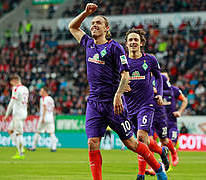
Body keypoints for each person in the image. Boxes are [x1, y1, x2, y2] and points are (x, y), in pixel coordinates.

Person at [68, 3, 167, 180]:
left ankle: (158, 168)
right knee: (92, 143)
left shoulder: (115, 48)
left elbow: (125, 74)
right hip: (94, 103)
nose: (94, 25)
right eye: (92, 23)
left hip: (113, 105)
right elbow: (72, 27)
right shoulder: (88, 43)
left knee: (131, 143)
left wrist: (118, 95)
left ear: (107, 29)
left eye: (98, 23)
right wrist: (86, 13)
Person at [123, 28, 169, 180]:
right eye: (130, 40)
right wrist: (121, 86)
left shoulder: (150, 60)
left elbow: (159, 77)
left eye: (136, 40)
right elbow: (114, 79)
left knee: (141, 136)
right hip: (129, 107)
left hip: (146, 104)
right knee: (141, 142)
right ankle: (161, 151)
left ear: (141, 43)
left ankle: (141, 174)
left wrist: (160, 94)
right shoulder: (122, 61)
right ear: (126, 43)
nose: (133, 42)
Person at [145, 74, 179, 176]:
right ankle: (152, 166)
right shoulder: (143, 76)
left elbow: (170, 92)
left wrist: (158, 92)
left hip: (160, 114)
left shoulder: (161, 78)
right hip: (147, 111)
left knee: (164, 140)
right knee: (149, 141)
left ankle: (173, 152)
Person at [3, 74, 29, 159]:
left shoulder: (16, 88)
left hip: (18, 114)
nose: (12, 85)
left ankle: (20, 153)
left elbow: (11, 103)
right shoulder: (25, 88)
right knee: (10, 130)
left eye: (12, 83)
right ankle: (21, 147)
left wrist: (6, 114)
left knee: (18, 134)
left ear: (15, 81)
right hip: (24, 112)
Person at [161, 72, 188, 147]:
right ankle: (165, 158)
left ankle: (173, 155)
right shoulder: (156, 90)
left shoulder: (174, 90)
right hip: (161, 121)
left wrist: (179, 111)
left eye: (165, 78)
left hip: (172, 121)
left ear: (168, 79)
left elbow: (185, 100)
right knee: (164, 143)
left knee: (172, 143)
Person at [28, 87, 58, 152]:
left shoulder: (43, 99)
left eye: (41, 91)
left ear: (45, 91)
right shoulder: (51, 99)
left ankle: (33, 147)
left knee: (37, 132)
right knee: (52, 133)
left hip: (44, 117)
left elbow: (44, 107)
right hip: (51, 117)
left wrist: (43, 117)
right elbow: (53, 109)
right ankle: (54, 147)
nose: (40, 92)